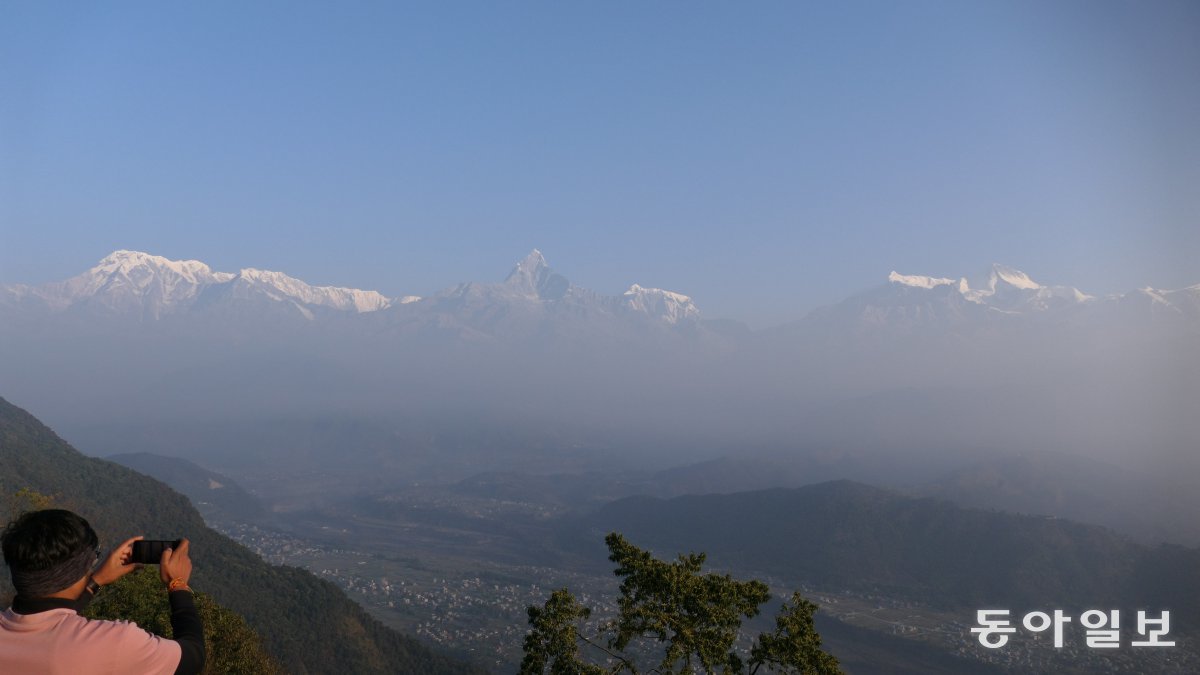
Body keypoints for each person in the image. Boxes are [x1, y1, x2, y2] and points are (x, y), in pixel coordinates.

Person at [0, 509, 205, 674]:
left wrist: (95, 581)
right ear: (77, 570)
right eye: (94, 557)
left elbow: (49, 621)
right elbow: (192, 656)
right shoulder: (115, 642)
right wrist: (177, 584)